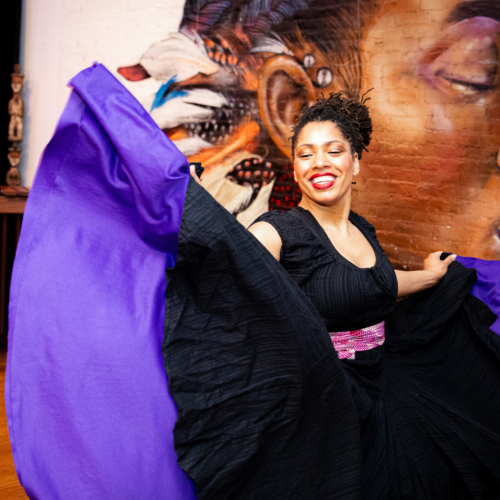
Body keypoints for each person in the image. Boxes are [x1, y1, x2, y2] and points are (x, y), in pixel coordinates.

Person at [165, 92, 500, 498]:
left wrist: (429, 278)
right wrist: (199, 218)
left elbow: (376, 284)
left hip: (385, 383)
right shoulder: (276, 233)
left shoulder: (362, 229)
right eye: (306, 154)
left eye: (333, 150)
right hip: (327, 404)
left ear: (355, 162)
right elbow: (234, 279)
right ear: (295, 168)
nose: (319, 162)